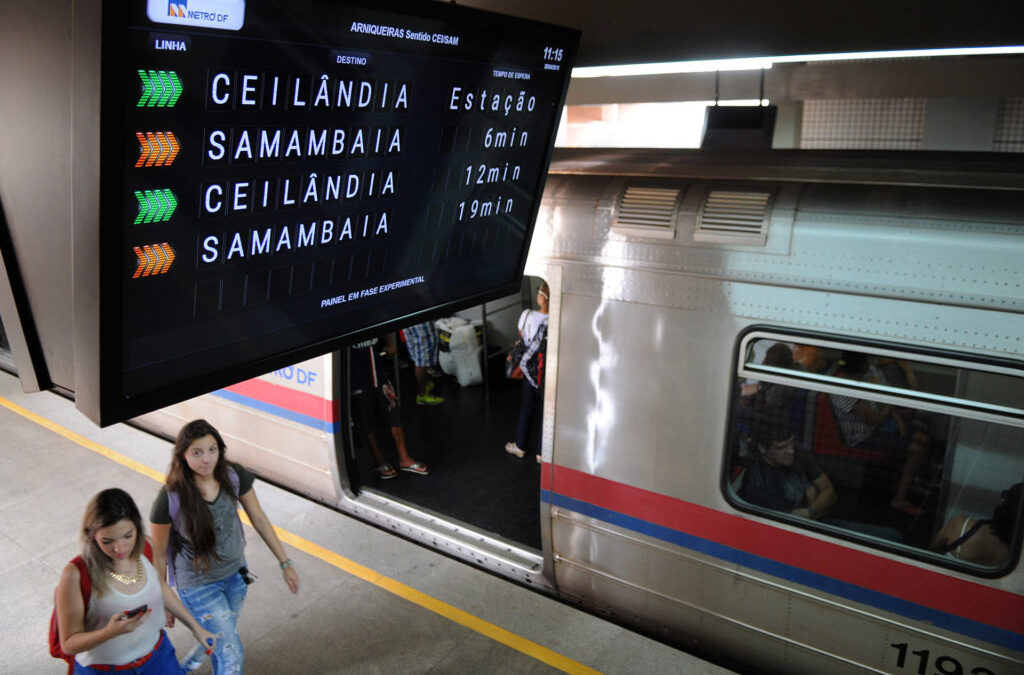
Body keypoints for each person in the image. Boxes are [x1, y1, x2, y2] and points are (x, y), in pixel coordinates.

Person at [150, 420, 300, 674]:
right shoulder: (169, 498)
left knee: (220, 639)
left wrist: (285, 562)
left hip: (236, 576)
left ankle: (182, 670)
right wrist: (164, 601)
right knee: (232, 654)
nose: (206, 459)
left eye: (212, 449)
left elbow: (259, 519)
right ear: (183, 455)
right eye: (197, 452)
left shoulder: (234, 476)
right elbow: (160, 556)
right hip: (198, 585)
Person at [55, 488, 216, 674]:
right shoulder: (76, 573)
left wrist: (196, 628)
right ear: (91, 535)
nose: (119, 548)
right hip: (105, 670)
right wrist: (109, 632)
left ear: (137, 528)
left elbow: (161, 587)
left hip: (158, 658)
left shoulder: (146, 547)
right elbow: (68, 644)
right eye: (107, 541)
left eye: (128, 536)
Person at [829, 352, 929, 514]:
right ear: (862, 366)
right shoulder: (846, 390)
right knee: (916, 451)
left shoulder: (858, 379)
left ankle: (910, 482)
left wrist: (893, 414)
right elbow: (875, 419)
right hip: (862, 437)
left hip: (873, 429)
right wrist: (890, 403)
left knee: (921, 437)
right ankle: (899, 499)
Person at [350, 334, 430, 478]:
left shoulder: (368, 314)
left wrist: (390, 343)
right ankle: (379, 461)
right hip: (357, 379)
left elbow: (382, 325)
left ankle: (404, 458)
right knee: (366, 419)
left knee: (394, 411)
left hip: (380, 374)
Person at [739, 407, 837, 520]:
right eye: (781, 448)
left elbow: (830, 492)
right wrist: (815, 498)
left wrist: (810, 510)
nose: (791, 451)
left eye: (791, 443)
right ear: (762, 448)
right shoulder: (757, 482)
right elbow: (787, 522)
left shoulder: (798, 451)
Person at [505, 281, 550, 463]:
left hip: (528, 370)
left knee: (527, 408)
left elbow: (522, 338)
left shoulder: (527, 315)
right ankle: (542, 452)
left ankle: (520, 446)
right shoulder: (556, 320)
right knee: (546, 413)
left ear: (541, 297)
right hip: (546, 372)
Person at [930, 483, 1021, 567]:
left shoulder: (963, 526)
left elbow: (933, 550)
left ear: (1004, 503)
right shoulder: (1017, 554)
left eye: (1004, 494)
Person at [401, 321, 444, 406]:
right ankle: (422, 395)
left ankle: (424, 385)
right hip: (419, 320)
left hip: (407, 316)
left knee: (418, 354)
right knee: (422, 359)